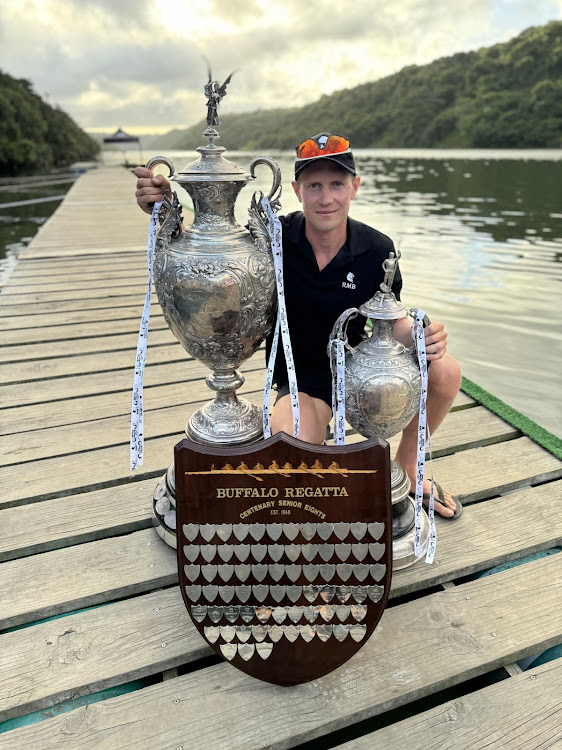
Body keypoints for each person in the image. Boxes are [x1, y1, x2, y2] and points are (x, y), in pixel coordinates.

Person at [134, 133, 462, 519]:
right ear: (296, 189)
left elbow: (390, 320)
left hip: (358, 370)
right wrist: (165, 206)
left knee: (444, 370)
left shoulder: (377, 248)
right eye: (314, 186)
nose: (326, 198)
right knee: (289, 450)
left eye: (337, 184)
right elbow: (215, 246)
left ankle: (408, 466)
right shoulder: (273, 238)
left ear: (354, 187)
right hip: (300, 380)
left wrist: (420, 334)